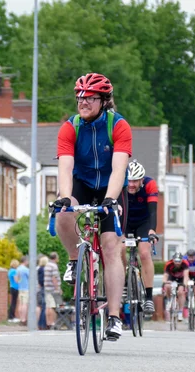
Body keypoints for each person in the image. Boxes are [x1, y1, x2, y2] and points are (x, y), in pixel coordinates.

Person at [53, 72, 132, 340]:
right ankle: (75, 260)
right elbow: (65, 167)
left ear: (104, 100)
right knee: (63, 212)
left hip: (112, 187)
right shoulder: (70, 127)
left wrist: (110, 199)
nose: (83, 101)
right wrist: (66, 197)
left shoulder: (118, 126)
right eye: (79, 97)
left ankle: (113, 317)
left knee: (111, 247)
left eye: (89, 97)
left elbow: (119, 168)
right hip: (82, 183)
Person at [125, 159, 159, 318]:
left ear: (141, 180)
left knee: (144, 253)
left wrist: (152, 230)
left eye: (135, 181)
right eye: (129, 180)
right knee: (117, 249)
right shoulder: (120, 183)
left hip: (143, 222)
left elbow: (153, 211)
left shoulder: (150, 184)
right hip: (125, 220)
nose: (131, 184)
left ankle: (148, 297)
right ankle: (124, 281)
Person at [162, 252, 188, 322]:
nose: (177, 263)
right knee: (167, 286)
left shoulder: (185, 264)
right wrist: (165, 282)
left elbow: (186, 276)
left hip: (181, 279)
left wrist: (185, 284)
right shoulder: (169, 264)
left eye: (179, 261)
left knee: (181, 291)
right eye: (176, 261)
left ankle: (180, 312)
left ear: (182, 260)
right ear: (173, 260)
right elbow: (165, 276)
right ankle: (169, 300)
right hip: (171, 278)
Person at [44, 252, 61, 327]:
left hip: (47, 288)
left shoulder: (47, 265)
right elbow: (54, 278)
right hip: (52, 289)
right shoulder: (54, 266)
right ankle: (52, 323)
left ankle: (48, 322)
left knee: (48, 306)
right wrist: (57, 288)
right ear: (55, 258)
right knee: (52, 306)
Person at [16, 256, 30, 325]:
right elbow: (31, 277)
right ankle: (24, 319)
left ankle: (21, 318)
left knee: (20, 304)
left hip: (20, 288)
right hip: (26, 288)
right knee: (25, 304)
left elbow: (16, 279)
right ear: (25, 261)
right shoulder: (26, 269)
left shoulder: (17, 269)